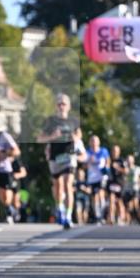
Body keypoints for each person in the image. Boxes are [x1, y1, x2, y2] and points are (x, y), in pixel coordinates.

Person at [37, 94, 82, 230]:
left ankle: (68, 216)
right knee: (58, 186)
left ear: (68, 106)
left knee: (68, 184)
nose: (62, 106)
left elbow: (79, 134)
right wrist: (52, 136)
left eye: (64, 104)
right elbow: (39, 139)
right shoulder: (51, 121)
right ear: (56, 106)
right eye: (59, 104)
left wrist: (76, 138)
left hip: (69, 155)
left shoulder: (73, 120)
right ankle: (60, 207)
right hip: (55, 156)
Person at [84, 134, 110, 225]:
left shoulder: (103, 151)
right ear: (90, 142)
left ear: (98, 142)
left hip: (101, 177)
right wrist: (88, 161)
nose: (94, 142)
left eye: (95, 140)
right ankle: (97, 216)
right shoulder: (87, 152)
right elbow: (84, 166)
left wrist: (106, 171)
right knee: (94, 197)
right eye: (92, 140)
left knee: (101, 194)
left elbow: (107, 162)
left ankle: (102, 215)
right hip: (92, 178)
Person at [107, 144, 127, 226]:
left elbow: (126, 171)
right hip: (111, 183)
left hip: (119, 183)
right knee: (111, 199)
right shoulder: (109, 160)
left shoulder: (121, 160)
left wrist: (117, 168)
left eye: (116, 151)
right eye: (113, 151)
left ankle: (121, 218)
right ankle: (111, 217)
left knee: (119, 201)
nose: (114, 152)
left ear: (119, 152)